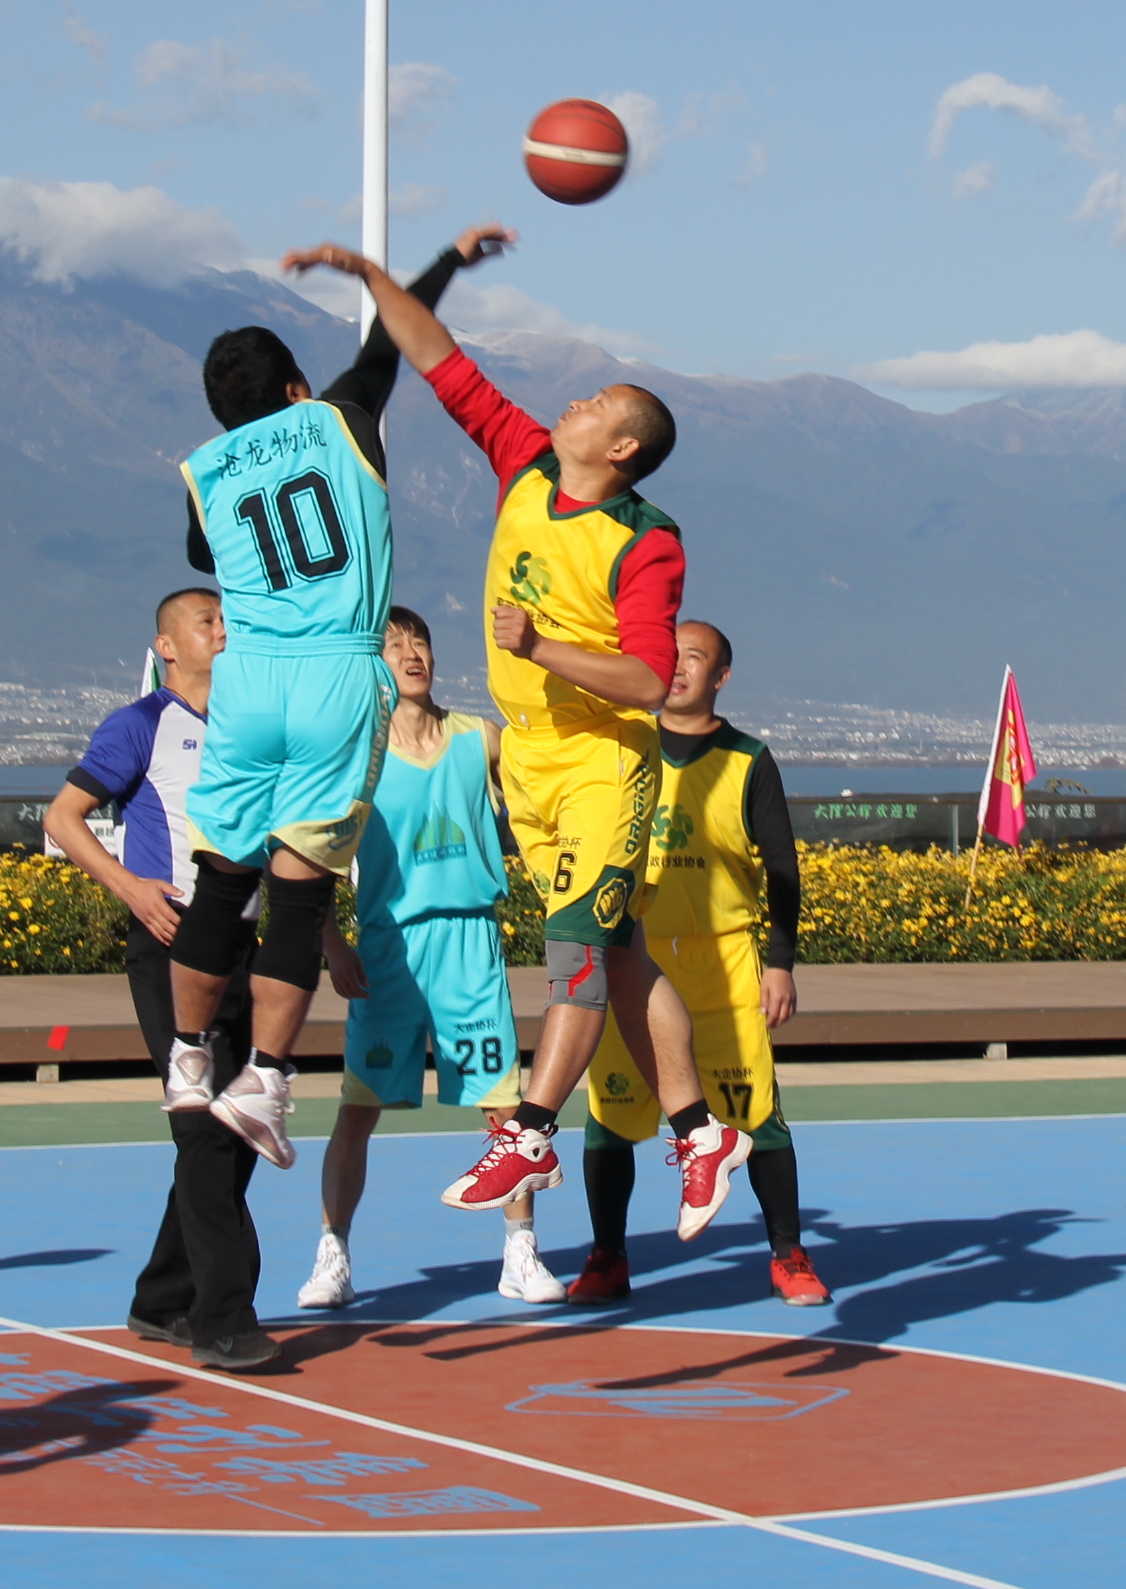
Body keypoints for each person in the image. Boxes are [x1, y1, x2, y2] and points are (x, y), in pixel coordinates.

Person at [279, 244, 747, 1239]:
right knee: (615, 954)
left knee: (575, 952)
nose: (573, 403)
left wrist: (541, 646)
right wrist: (374, 277)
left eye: (595, 403)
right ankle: (702, 1133)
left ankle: (531, 1131)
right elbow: (436, 355)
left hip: (602, 757)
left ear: (621, 446)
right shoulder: (527, 461)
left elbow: (649, 679)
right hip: (529, 757)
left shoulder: (646, 540)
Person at [160, 229, 505, 1172]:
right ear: (296, 387)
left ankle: (187, 1061)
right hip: (335, 672)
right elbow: (393, 336)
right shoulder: (339, 419)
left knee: (221, 880)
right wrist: (441, 262)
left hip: (249, 678)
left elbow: (201, 553)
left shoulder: (206, 470)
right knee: (299, 894)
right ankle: (266, 1080)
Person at [44, 587, 281, 1372]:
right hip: (172, 945)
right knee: (204, 1128)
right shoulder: (141, 724)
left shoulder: (250, 729)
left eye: (227, 620)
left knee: (240, 1128)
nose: (223, 631)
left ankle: (161, 1297)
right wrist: (131, 888)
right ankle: (221, 1318)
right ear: (168, 646)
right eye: (207, 622)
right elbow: (63, 817)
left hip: (243, 945)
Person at [298, 606, 561, 1312]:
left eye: (421, 642)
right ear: (372, 665)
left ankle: (520, 1251)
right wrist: (332, 944)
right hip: (389, 949)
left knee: (506, 1111)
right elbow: (304, 857)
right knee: (359, 1109)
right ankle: (333, 1253)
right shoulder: (355, 758)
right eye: (395, 645)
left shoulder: (480, 739)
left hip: (470, 942)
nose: (412, 653)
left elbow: (552, 776)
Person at [574, 619, 828, 1306]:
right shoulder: (623, 746)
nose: (680, 668)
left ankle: (789, 1255)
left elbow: (782, 869)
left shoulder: (748, 760)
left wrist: (781, 962)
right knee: (610, 1117)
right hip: (633, 964)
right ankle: (607, 1256)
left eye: (696, 658)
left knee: (758, 1116)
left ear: (721, 676)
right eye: (672, 655)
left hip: (724, 968)